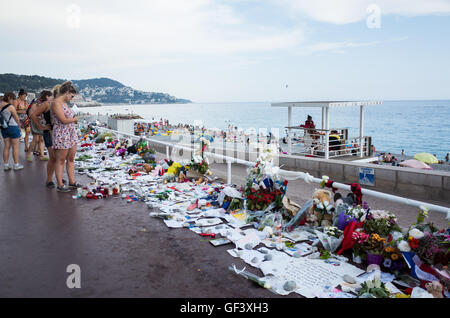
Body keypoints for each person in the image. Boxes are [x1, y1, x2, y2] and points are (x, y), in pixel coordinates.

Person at [50, 82, 80, 192]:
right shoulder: (56, 103)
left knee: (71, 158)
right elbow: (63, 120)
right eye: (71, 96)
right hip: (61, 133)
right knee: (61, 159)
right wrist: (75, 119)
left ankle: (72, 182)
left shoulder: (64, 103)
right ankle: (60, 184)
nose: (71, 99)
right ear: (67, 93)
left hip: (70, 132)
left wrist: (72, 120)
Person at [1, 92, 24, 171]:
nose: (14, 101)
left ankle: (6, 165)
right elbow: (16, 118)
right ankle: (16, 165)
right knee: (15, 147)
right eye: (13, 99)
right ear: (9, 98)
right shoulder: (10, 107)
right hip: (13, 127)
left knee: (6, 146)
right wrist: (20, 126)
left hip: (4, 127)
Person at [27, 91, 52, 162]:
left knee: (41, 139)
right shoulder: (36, 102)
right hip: (35, 122)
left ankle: (42, 155)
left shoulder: (45, 103)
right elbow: (31, 113)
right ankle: (28, 154)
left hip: (42, 122)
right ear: (47, 96)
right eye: (51, 97)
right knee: (36, 139)